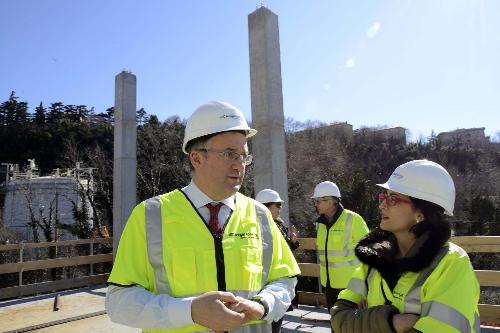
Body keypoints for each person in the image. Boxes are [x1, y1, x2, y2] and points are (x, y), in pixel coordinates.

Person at [106, 101, 301, 333]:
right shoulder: (150, 216)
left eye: (243, 156)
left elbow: (285, 279)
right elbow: (119, 302)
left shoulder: (259, 215)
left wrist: (263, 305)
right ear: (196, 159)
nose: (239, 165)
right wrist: (188, 311)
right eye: (229, 154)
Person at [331, 160, 480, 333]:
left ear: (421, 213)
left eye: (392, 199)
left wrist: (364, 319)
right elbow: (339, 319)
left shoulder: (451, 263)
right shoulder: (374, 258)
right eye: (383, 196)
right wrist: (391, 322)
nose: (382, 205)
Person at [311, 181, 369, 313]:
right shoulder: (320, 224)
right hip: (329, 286)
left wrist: (364, 291)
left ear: (331, 201)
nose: (316, 205)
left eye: (318, 201)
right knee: (335, 324)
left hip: (351, 288)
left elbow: (369, 255)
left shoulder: (354, 219)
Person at [255, 189, 300, 333]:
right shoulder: (258, 227)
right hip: (267, 283)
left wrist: (292, 243)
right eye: (278, 205)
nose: (280, 208)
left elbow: (282, 252)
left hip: (281, 282)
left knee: (277, 320)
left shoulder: (278, 225)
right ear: (266, 206)